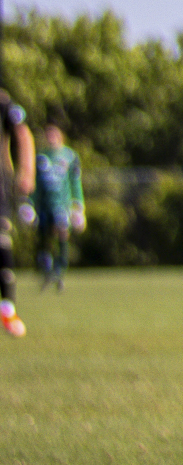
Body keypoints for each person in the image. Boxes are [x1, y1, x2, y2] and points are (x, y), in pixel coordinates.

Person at [33, 117, 84, 292]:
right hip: (44, 205)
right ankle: (46, 269)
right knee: (44, 237)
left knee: (62, 233)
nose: (51, 136)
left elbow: (75, 181)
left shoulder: (69, 156)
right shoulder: (41, 157)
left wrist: (78, 204)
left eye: (54, 133)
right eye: (48, 133)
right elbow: (35, 183)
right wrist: (30, 202)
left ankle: (60, 269)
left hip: (62, 204)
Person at [1, 89, 35, 338]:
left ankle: (8, 309)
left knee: (1, 244)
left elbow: (22, 133)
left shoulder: (3, 103)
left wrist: (27, 171)